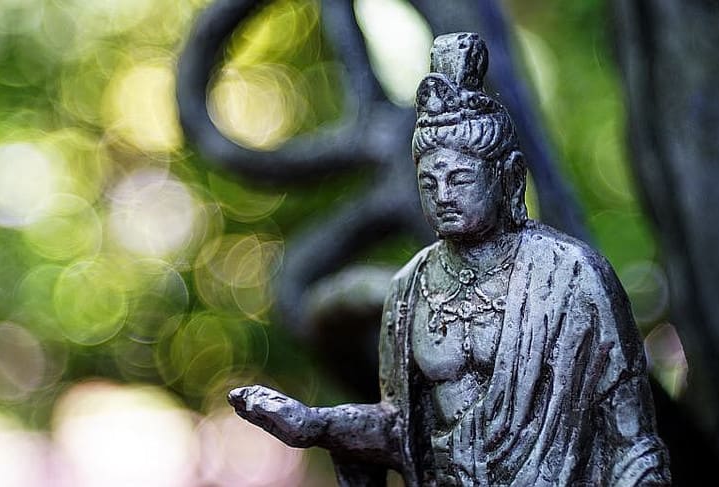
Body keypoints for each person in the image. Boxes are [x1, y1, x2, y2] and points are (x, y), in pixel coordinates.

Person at [228, 33, 670, 486]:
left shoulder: (570, 276)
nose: (442, 196)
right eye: (429, 182)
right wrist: (317, 425)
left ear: (509, 178)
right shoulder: (410, 288)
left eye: (460, 178)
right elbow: (401, 431)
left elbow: (632, 442)